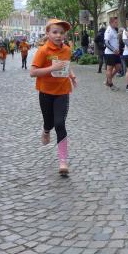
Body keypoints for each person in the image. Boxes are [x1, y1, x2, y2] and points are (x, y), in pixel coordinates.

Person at [31, 19, 77, 175]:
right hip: (45, 91)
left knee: (59, 123)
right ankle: (45, 130)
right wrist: (52, 68)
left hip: (62, 91)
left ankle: (63, 161)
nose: (58, 35)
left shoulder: (67, 50)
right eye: (55, 32)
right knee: (49, 122)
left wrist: (71, 75)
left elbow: (66, 65)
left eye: (61, 33)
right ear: (48, 33)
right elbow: (33, 72)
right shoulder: (43, 51)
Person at [104, 17, 122, 90]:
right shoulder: (108, 30)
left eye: (117, 22)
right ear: (111, 23)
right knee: (109, 69)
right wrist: (114, 50)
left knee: (118, 67)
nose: (117, 23)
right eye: (115, 22)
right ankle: (110, 84)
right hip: (110, 53)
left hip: (116, 53)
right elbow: (106, 43)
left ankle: (108, 80)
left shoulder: (114, 30)